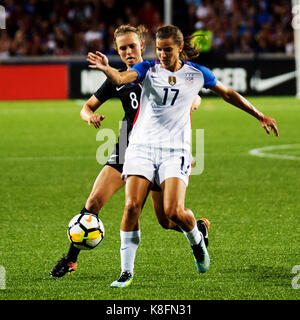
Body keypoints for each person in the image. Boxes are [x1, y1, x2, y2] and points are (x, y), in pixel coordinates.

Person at [87, 24, 279, 288]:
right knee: (131, 206)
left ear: (179, 48)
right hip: (140, 147)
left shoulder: (197, 74)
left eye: (168, 50)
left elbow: (229, 94)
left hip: (174, 151)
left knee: (173, 213)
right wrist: (107, 67)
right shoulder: (146, 69)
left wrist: (259, 115)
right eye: (159, 50)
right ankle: (126, 272)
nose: (163, 55)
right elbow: (120, 79)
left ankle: (197, 239)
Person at [50, 25, 207, 278]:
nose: (128, 51)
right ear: (117, 51)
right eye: (122, 48)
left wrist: (193, 100)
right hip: (126, 148)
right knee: (93, 203)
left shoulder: (159, 71)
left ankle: (196, 229)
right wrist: (88, 116)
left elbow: (193, 94)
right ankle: (71, 259)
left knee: (166, 220)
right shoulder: (117, 79)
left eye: (132, 46)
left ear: (142, 46)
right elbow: (86, 107)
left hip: (158, 149)